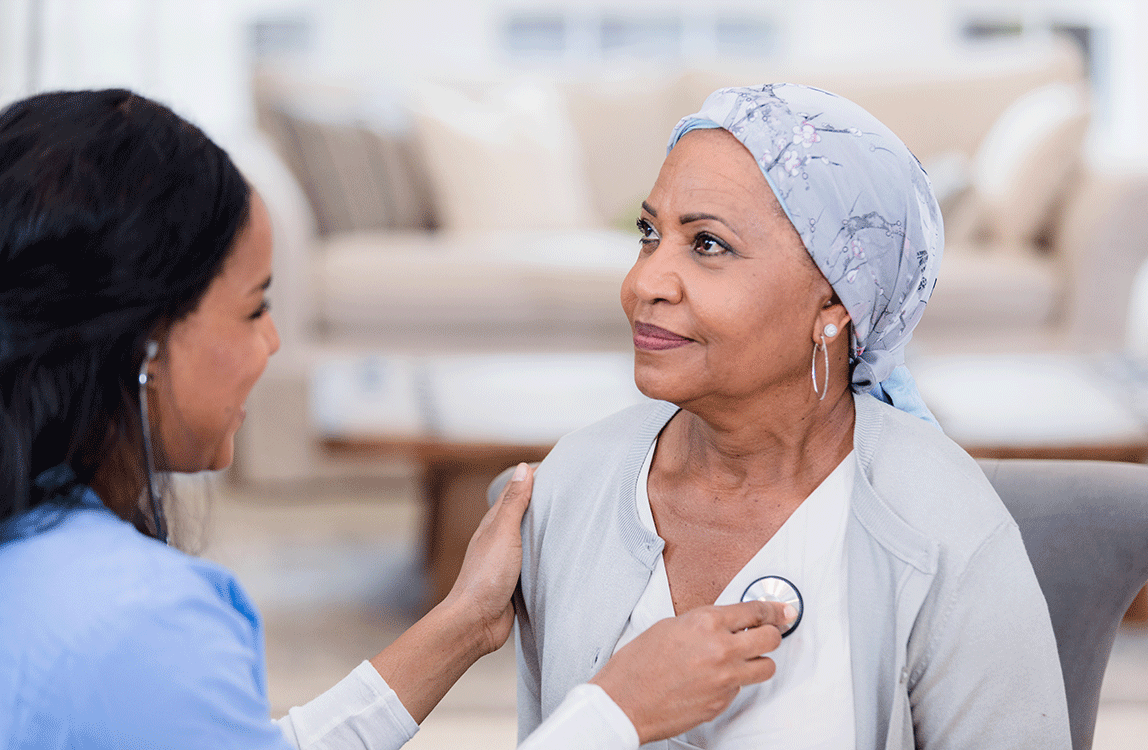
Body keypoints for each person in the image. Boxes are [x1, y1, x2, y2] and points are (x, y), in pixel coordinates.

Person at [0, 89, 795, 749]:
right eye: (253, 309)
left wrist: (462, 624)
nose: (273, 343)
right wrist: (615, 711)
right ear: (148, 339)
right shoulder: (138, 627)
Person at [514, 84, 1073, 749]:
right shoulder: (574, 487)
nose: (644, 284)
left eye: (709, 245)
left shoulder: (944, 528)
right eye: (649, 233)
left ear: (835, 303)